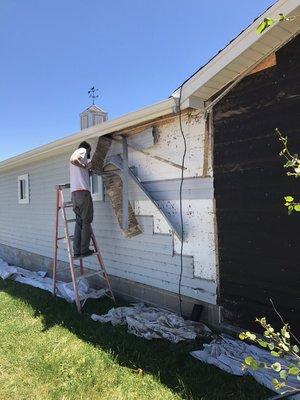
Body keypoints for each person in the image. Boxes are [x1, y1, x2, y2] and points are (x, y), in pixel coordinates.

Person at [70, 141, 94, 258]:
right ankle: (84, 250)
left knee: (79, 222)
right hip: (83, 193)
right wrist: (84, 166)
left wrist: (87, 169)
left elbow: (81, 170)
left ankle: (76, 251)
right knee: (86, 221)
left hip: (75, 194)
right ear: (87, 149)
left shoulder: (80, 158)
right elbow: (74, 160)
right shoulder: (82, 151)